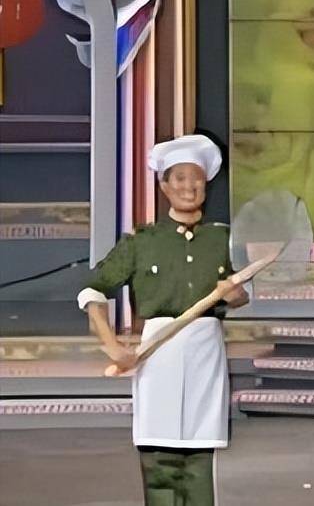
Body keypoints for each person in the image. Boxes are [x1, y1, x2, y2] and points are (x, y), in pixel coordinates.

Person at [77, 134, 247, 505]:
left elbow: (240, 295)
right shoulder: (142, 242)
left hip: (206, 353)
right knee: (159, 456)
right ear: (164, 186)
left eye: (197, 179)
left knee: (200, 455)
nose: (189, 187)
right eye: (180, 179)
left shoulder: (223, 240)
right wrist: (112, 347)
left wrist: (235, 295)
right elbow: (93, 292)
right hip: (158, 355)